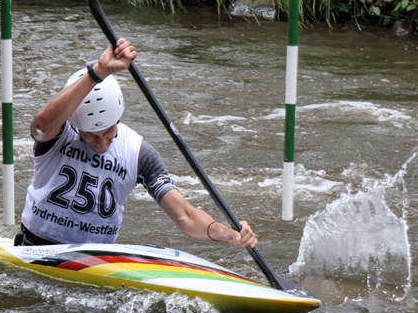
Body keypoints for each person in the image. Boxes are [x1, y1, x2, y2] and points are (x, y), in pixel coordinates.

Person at [16, 38, 258, 249]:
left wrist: (226, 233)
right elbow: (40, 125)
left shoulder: (138, 153)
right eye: (90, 134)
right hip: (37, 245)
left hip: (95, 259)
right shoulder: (57, 135)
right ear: (75, 124)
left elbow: (185, 215)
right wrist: (98, 71)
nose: (101, 143)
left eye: (109, 131)